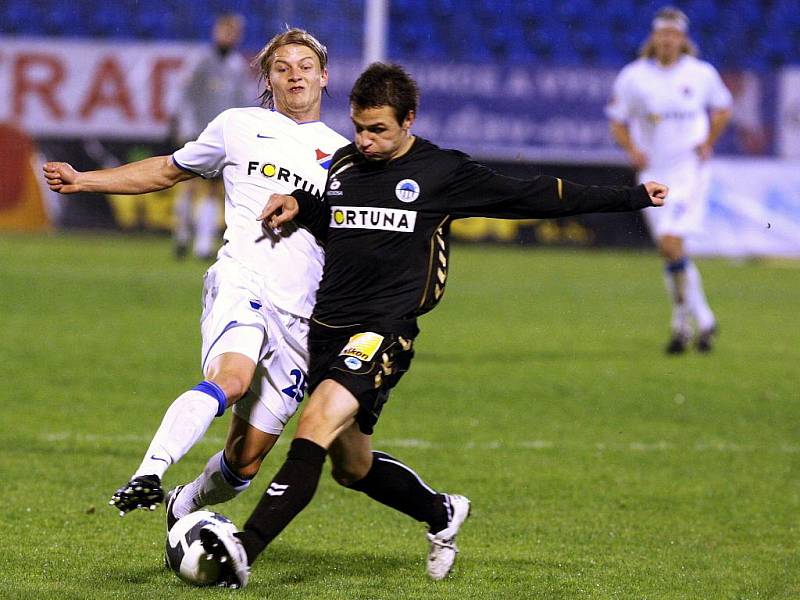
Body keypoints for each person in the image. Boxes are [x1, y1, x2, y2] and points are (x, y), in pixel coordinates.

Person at [196, 62, 668, 589]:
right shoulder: (345, 165)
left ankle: (243, 550)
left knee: (314, 425)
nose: (366, 141)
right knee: (352, 467)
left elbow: (534, 194)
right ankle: (441, 512)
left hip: (383, 330)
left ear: (409, 120)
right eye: (359, 127)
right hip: (325, 330)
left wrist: (630, 195)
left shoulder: (443, 172)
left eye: (379, 130)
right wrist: (298, 203)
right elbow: (331, 214)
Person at [43, 28, 348, 525]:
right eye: (282, 67)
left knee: (243, 465)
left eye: (305, 66)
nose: (295, 74)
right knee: (230, 379)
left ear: (324, 76)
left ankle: (182, 504)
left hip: (302, 314)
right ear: (267, 80)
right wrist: (85, 181)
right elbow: (168, 169)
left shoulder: (345, 157)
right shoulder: (237, 125)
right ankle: (149, 471)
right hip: (243, 280)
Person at [606, 6, 732, 354]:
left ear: (683, 39)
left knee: (670, 241)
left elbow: (723, 108)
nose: (667, 40)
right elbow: (617, 118)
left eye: (674, 34)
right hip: (653, 173)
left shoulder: (701, 74)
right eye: (662, 33)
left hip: (690, 172)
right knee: (669, 250)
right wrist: (632, 148)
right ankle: (685, 325)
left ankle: (700, 318)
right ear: (653, 37)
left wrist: (708, 142)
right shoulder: (634, 77)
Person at [172, 13, 250, 260]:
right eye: (226, 31)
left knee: (215, 189)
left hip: (223, 136)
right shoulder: (201, 61)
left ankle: (203, 243)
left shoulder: (237, 66)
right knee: (189, 184)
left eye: (233, 32)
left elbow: (240, 103)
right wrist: (182, 126)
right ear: (216, 31)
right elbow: (185, 94)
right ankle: (182, 232)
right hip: (196, 130)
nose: (229, 36)